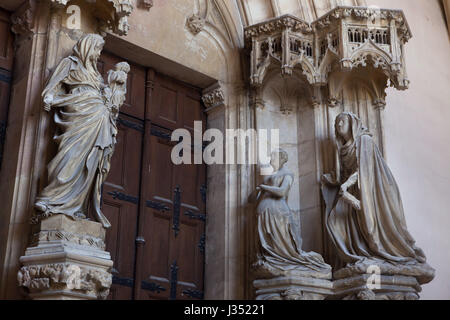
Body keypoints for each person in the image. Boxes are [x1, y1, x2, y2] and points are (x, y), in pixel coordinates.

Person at [34, 34, 127, 229]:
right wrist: (49, 98)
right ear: (87, 47)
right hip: (77, 115)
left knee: (90, 160)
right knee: (70, 155)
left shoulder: (95, 73)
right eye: (97, 49)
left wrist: (114, 87)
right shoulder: (71, 64)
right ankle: (51, 199)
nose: (98, 54)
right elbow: (52, 88)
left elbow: (106, 95)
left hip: (97, 117)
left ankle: (76, 205)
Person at [322, 112, 427, 267]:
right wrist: (333, 180)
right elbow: (344, 174)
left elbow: (363, 170)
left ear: (352, 123)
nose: (338, 125)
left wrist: (346, 185)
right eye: (336, 123)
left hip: (373, 190)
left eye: (342, 121)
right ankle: (363, 253)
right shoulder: (342, 149)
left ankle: (384, 255)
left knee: (371, 228)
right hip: (354, 191)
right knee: (335, 221)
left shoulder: (364, 141)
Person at [253, 149, 331, 276]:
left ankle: (284, 262)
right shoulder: (270, 176)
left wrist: (263, 187)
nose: (271, 159)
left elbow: (282, 192)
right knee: (268, 245)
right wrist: (258, 190)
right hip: (265, 214)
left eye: (273, 156)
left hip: (277, 213)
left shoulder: (287, 173)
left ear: (282, 158)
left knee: (282, 246)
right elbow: (253, 199)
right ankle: (271, 260)